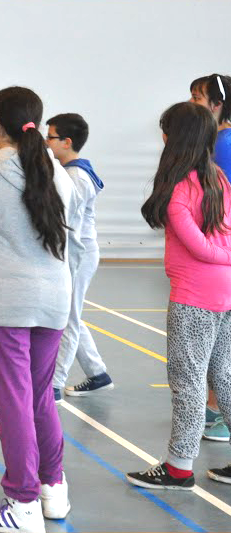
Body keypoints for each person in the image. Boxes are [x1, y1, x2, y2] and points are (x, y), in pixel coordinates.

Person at [0, 87, 82, 533]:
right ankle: (53, 491)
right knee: (40, 395)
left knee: (13, 401)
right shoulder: (59, 174)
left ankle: (22, 503)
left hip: (7, 302)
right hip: (53, 299)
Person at [126, 102, 231, 489]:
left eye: (165, 132)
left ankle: (178, 467)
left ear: (175, 138)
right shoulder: (218, 178)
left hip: (195, 297)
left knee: (188, 380)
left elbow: (201, 247)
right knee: (224, 375)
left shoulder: (178, 189)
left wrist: (224, 257)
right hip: (226, 294)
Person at [45, 113, 112, 402]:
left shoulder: (76, 176)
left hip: (79, 255)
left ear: (67, 142)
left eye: (51, 137)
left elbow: (64, 216)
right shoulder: (68, 171)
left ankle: (55, 385)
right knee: (73, 315)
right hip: (73, 253)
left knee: (68, 319)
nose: (47, 142)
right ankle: (98, 374)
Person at [188, 73, 231, 442]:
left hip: (221, 259)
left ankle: (216, 412)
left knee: (220, 346)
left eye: (198, 97)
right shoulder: (216, 142)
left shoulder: (224, 145)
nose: (192, 103)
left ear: (217, 105)